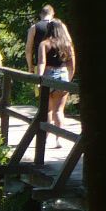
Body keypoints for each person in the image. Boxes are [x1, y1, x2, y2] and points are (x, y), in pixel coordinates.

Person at [35, 19, 77, 148]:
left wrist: (39, 79)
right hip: (63, 75)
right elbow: (71, 64)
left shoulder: (44, 44)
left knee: (47, 110)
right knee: (59, 111)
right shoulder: (67, 44)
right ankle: (59, 139)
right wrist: (68, 79)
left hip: (48, 75)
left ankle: (45, 139)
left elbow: (41, 63)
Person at [25, 4, 72, 69]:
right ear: (53, 14)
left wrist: (30, 66)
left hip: (41, 68)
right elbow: (69, 44)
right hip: (61, 67)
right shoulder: (61, 26)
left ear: (41, 15)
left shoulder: (34, 28)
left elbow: (28, 50)